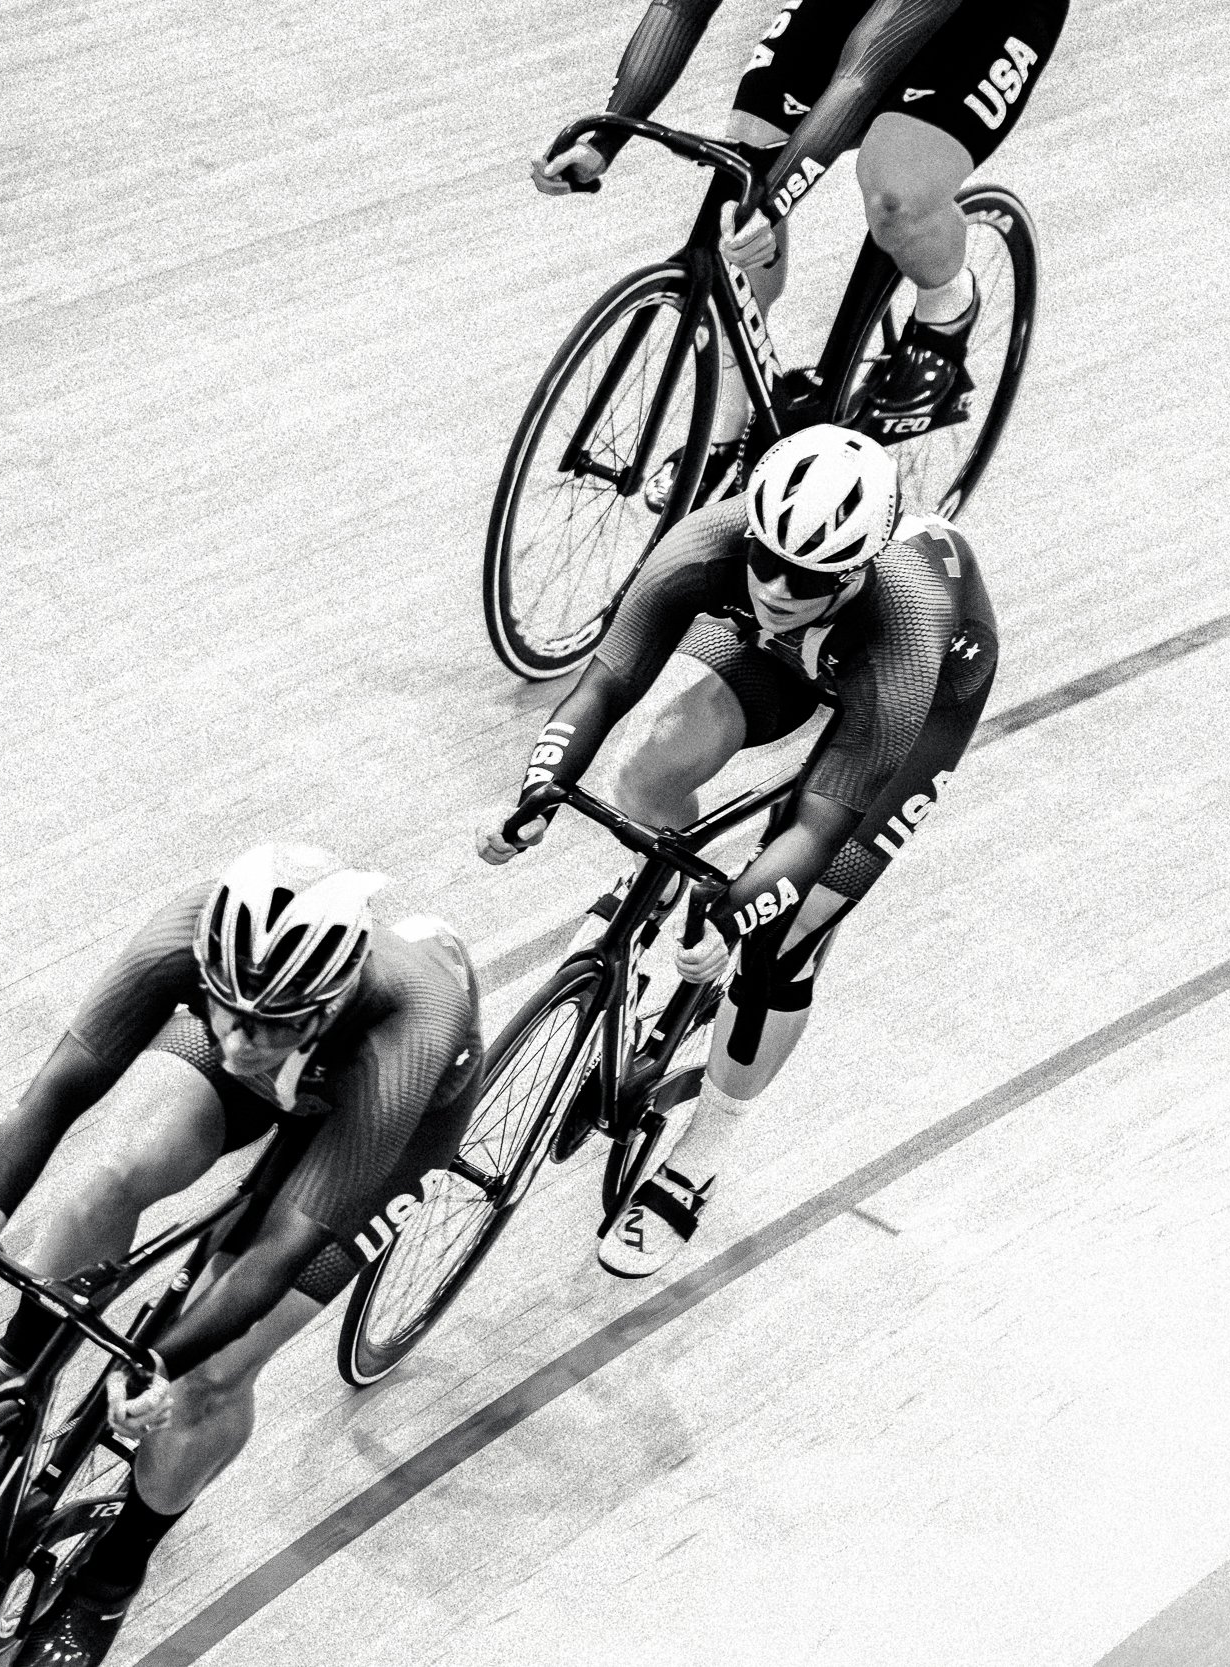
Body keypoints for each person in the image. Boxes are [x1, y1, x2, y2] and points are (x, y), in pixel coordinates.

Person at [0, 844, 482, 1666]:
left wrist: (160, 1361)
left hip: (386, 1116)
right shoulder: (191, 936)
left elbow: (282, 1249)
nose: (240, 1040)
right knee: (112, 1175)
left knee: (212, 1376)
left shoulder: (408, 1026)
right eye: (224, 1007)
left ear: (327, 1000)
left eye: (269, 1022)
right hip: (305, 1062)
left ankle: (111, 1579)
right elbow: (63, 1083)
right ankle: (18, 1358)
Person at [477, 424, 995, 1277]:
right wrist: (537, 789)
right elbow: (607, 680)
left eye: (808, 576)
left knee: (782, 939)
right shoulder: (710, 545)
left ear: (857, 570)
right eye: (766, 560)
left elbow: (819, 827)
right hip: (804, 653)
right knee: (653, 767)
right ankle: (659, 913)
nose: (778, 587)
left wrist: (740, 906)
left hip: (921, 687)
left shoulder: (906, 617)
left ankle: (698, 1157)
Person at [533, 0, 1065, 481]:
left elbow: (862, 75)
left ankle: (947, 312)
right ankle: (727, 431)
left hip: (987, 20)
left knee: (896, 194)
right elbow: (679, 8)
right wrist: (605, 141)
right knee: (749, 146)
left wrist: (774, 203)